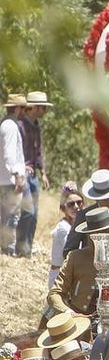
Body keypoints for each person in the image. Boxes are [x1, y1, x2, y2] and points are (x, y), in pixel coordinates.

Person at [48, 206, 109, 315]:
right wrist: (68, 312)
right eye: (95, 235)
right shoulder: (74, 258)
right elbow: (55, 293)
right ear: (87, 235)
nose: (99, 239)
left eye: (104, 234)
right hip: (79, 318)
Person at [63, 168, 109, 257]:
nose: (108, 201)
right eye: (104, 198)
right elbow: (68, 251)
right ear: (96, 198)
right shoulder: (83, 216)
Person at [17, 90, 50, 257]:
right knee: (27, 211)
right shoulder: (20, 125)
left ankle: (27, 250)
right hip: (23, 173)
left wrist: (43, 172)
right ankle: (20, 248)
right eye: (43, 108)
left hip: (33, 174)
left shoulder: (36, 125)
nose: (44, 111)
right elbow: (16, 150)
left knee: (34, 213)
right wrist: (22, 167)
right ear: (35, 108)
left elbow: (38, 151)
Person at [0, 94, 25, 257]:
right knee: (12, 214)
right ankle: (8, 248)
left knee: (7, 214)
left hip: (5, 178)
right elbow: (9, 154)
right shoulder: (10, 126)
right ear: (16, 108)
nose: (24, 111)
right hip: (9, 179)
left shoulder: (7, 124)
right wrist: (16, 174)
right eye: (23, 107)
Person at [49, 182, 82, 292]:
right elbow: (70, 253)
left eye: (79, 202)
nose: (76, 207)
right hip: (60, 277)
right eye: (71, 204)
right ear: (64, 208)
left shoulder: (76, 226)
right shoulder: (63, 228)